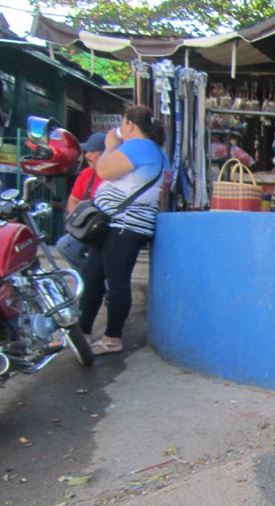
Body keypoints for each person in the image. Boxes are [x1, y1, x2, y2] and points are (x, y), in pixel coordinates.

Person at [78, 106, 169, 356]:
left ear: (129, 124)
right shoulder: (156, 152)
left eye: (122, 123)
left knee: (116, 280)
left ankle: (111, 338)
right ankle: (82, 333)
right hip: (119, 225)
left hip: (124, 225)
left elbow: (103, 171)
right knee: (93, 275)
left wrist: (109, 146)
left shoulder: (139, 147)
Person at [55, 132, 106, 270]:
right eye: (87, 151)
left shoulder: (114, 176)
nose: (87, 156)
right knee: (64, 246)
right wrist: (77, 221)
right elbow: (73, 199)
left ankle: (95, 279)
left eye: (92, 151)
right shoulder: (86, 174)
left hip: (105, 229)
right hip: (87, 227)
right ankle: (90, 278)